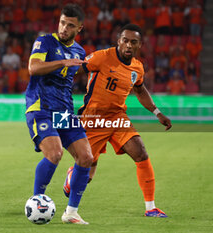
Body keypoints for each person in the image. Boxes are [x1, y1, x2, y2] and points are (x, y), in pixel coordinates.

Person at [63, 24, 172, 218]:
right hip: (94, 117)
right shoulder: (102, 57)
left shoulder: (137, 67)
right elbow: (76, 69)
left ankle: (151, 208)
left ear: (139, 45)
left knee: (141, 153)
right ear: (119, 41)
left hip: (118, 117)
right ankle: (73, 175)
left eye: (133, 42)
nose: (128, 45)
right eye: (125, 40)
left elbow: (139, 90)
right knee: (86, 172)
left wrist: (157, 112)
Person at [25, 4, 93, 225]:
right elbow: (33, 68)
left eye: (70, 25)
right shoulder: (45, 41)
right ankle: (36, 202)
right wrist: (62, 62)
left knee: (86, 158)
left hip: (64, 111)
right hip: (41, 108)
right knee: (54, 154)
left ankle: (71, 213)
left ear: (79, 28)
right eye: (62, 22)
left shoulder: (80, 52)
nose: (64, 28)